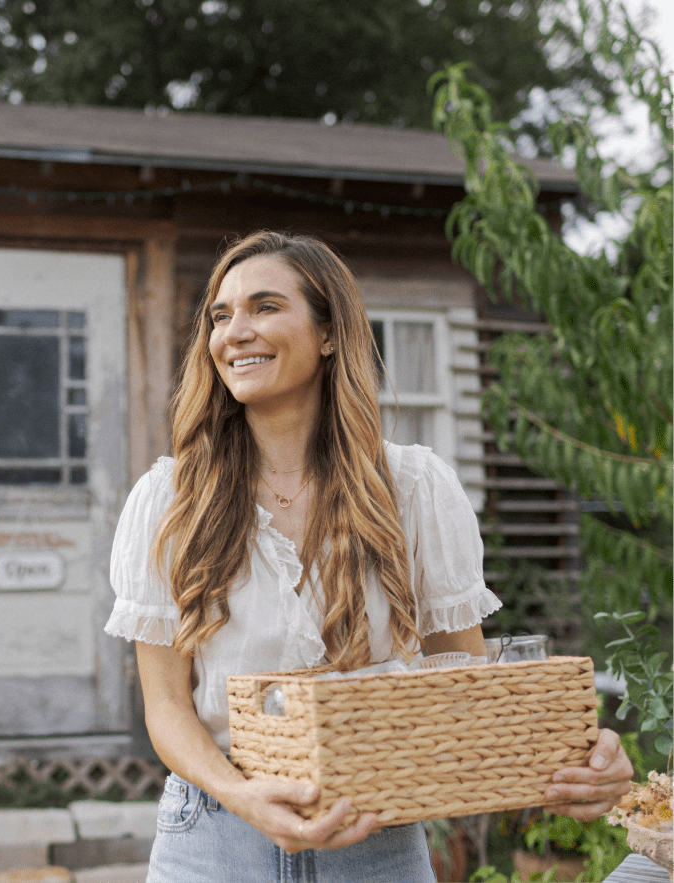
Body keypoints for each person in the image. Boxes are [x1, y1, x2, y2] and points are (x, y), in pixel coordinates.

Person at [105, 231, 633, 882]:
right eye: (220, 315)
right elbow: (166, 707)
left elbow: (462, 684)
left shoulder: (412, 488)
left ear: (329, 333)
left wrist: (579, 756)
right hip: (213, 836)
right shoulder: (169, 498)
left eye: (265, 307)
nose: (234, 331)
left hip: (375, 843)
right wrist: (241, 794)